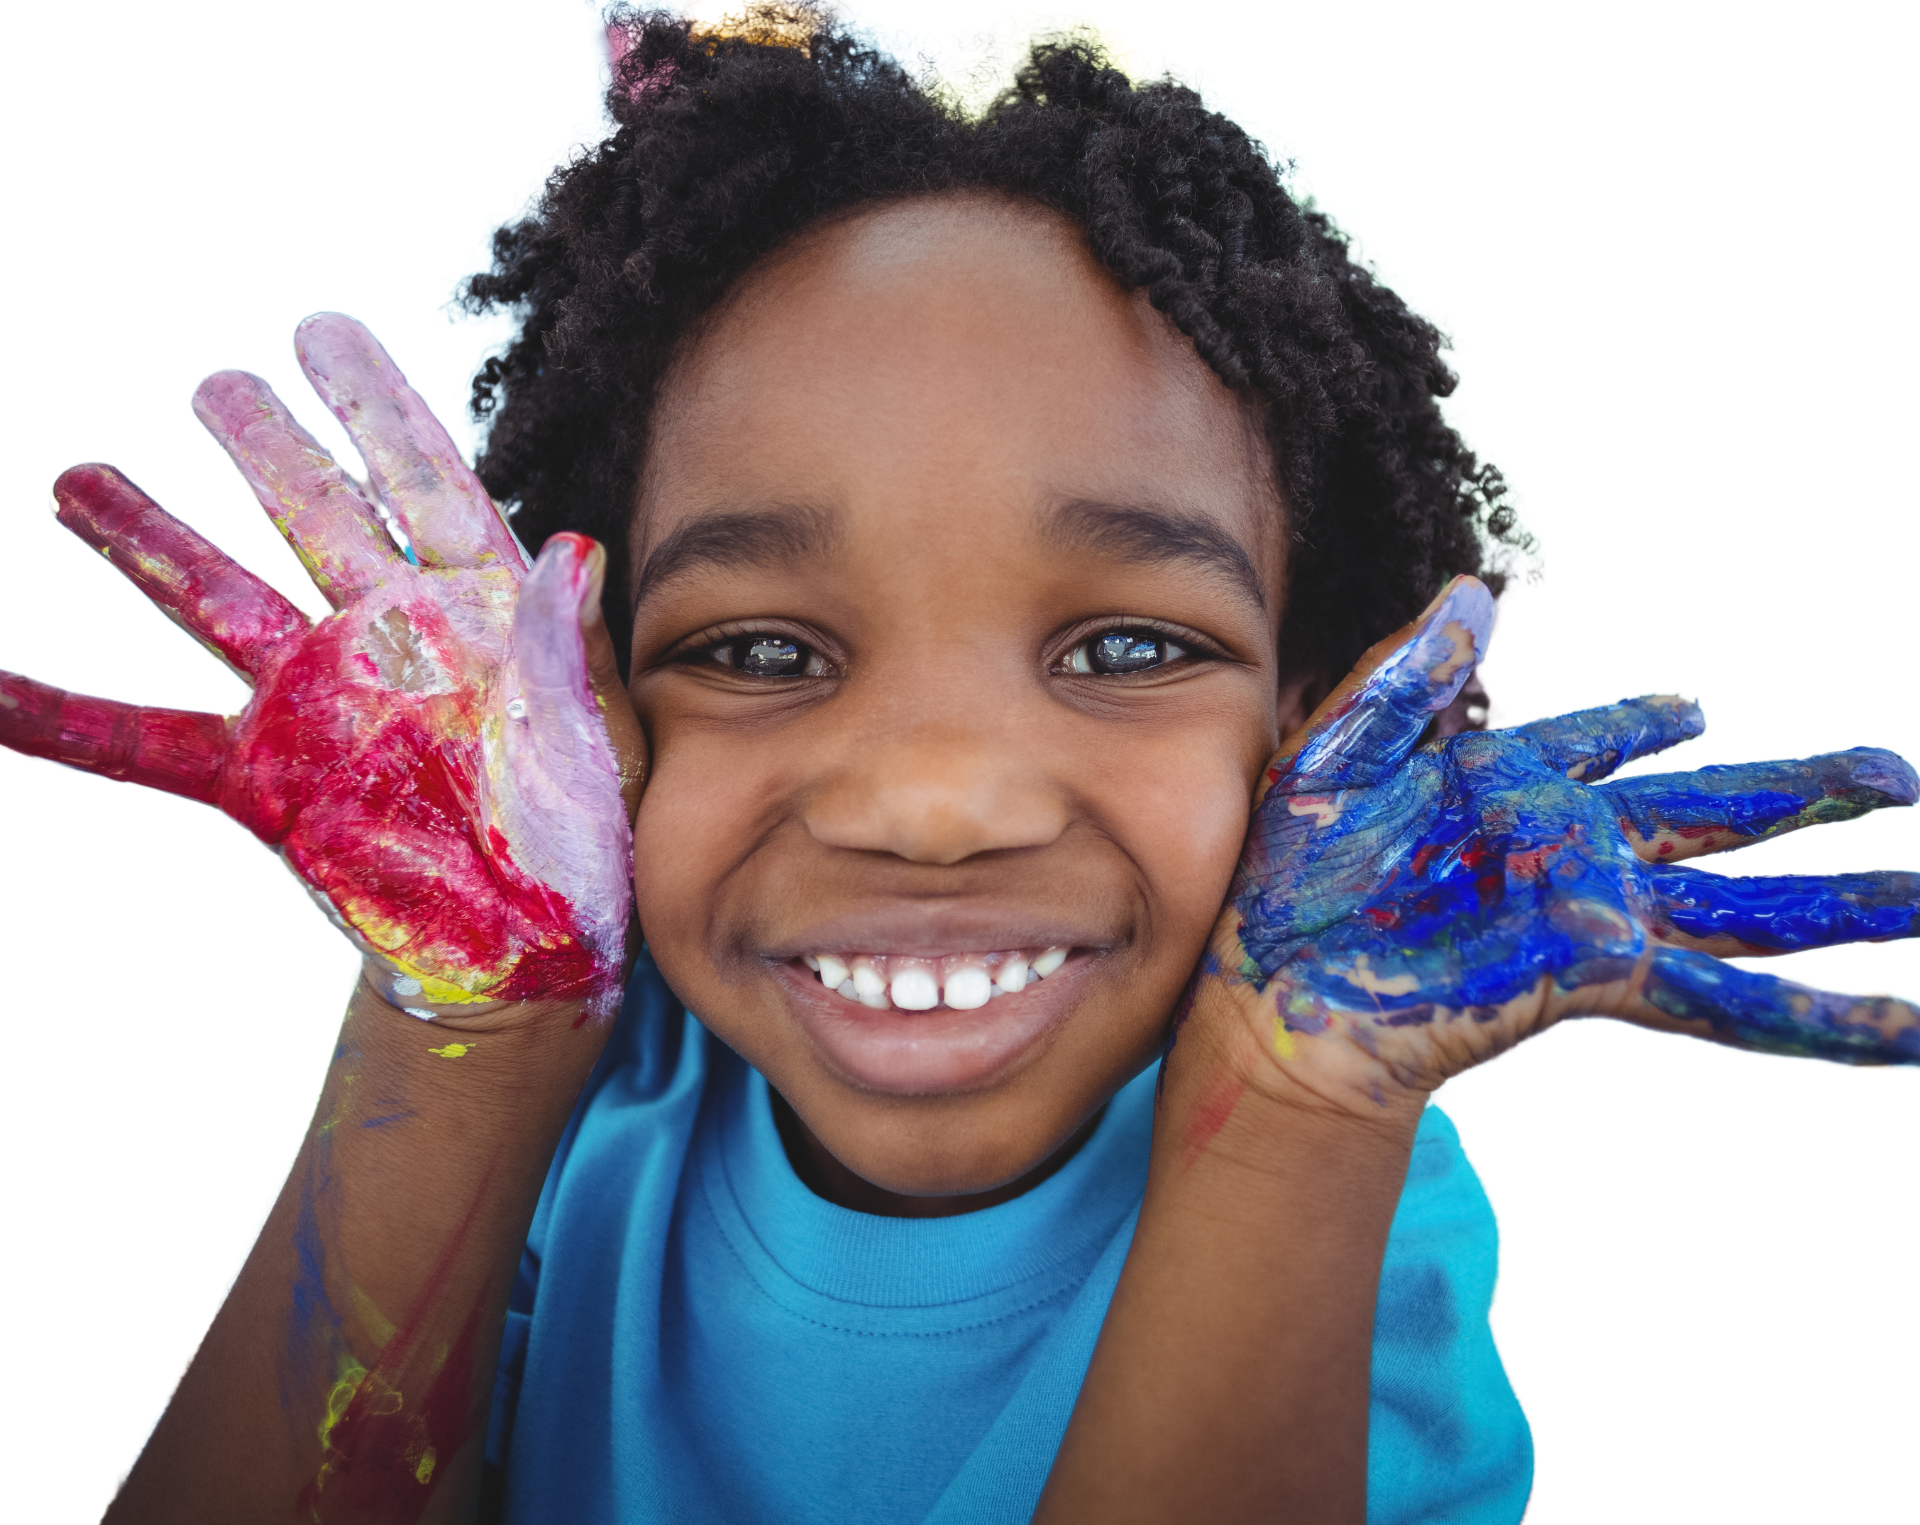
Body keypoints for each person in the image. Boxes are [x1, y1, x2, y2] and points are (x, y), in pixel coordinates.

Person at [4, 5, 1910, 1521]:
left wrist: (1298, 1112)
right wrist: (458, 1036)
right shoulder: (597, 1077)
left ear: (1321, 719)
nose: (934, 801)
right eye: (759, 651)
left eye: (1129, 647)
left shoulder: (1338, 1158)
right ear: (595, 705)